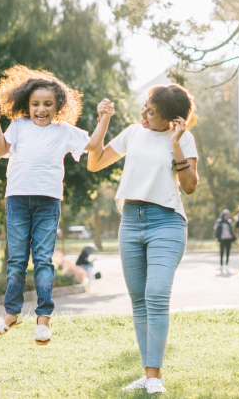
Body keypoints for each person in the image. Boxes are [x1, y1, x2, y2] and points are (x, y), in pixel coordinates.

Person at [0, 65, 114, 345]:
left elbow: (93, 145)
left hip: (47, 202)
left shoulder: (64, 131)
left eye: (47, 104)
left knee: (43, 259)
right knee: (17, 260)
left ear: (59, 106)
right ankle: (11, 314)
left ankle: (43, 319)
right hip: (18, 200)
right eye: (35, 104)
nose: (41, 109)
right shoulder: (19, 126)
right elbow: (0, 149)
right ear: (26, 105)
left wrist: (103, 118)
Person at [87, 83, 199, 395]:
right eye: (145, 107)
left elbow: (189, 186)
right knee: (139, 302)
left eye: (152, 112)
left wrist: (175, 143)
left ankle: (154, 378)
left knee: (157, 294)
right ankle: (149, 374)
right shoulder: (133, 133)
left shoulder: (184, 138)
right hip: (130, 221)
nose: (144, 114)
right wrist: (104, 120)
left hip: (167, 222)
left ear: (173, 120)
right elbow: (94, 163)